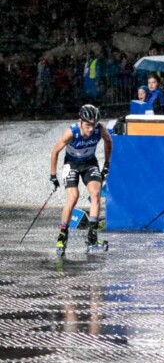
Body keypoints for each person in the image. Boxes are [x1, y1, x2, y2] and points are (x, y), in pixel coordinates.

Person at [49, 104, 112, 256]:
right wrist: (53, 175)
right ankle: (62, 235)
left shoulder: (100, 129)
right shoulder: (71, 132)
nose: (91, 129)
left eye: (94, 125)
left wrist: (106, 164)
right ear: (81, 121)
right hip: (72, 164)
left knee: (95, 195)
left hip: (90, 163)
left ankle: (92, 238)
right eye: (88, 125)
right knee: (73, 197)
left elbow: (109, 142)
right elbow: (55, 151)